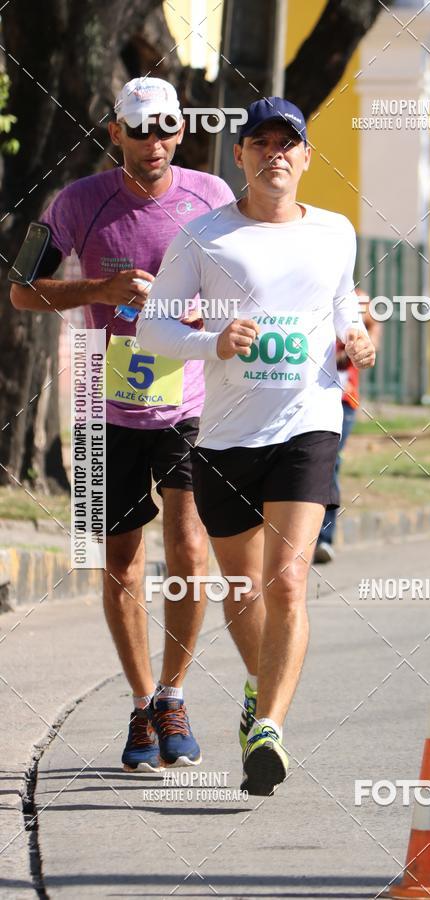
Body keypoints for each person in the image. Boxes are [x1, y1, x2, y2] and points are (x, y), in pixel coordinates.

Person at [137, 96, 376, 795]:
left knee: (288, 581)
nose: (275, 154)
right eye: (261, 143)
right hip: (226, 437)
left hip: (308, 422)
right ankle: (255, 688)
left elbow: (343, 314)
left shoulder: (335, 232)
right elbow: (152, 329)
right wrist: (210, 340)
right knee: (242, 591)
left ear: (305, 158)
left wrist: (358, 338)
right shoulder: (203, 237)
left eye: (287, 144)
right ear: (239, 156)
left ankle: (269, 727)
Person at [10, 77, 235, 771]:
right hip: (106, 409)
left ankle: (174, 693)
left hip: (189, 403)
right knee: (120, 564)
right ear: (115, 133)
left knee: (191, 549)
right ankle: (142, 703)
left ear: (181, 130)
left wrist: (206, 317)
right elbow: (20, 290)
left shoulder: (213, 198)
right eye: (140, 129)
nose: (154, 142)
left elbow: (243, 292)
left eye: (166, 127)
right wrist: (99, 291)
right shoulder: (75, 203)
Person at [314, 288, 380, 562]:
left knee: (330, 463)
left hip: (344, 398)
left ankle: (324, 539)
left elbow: (375, 323)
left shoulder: (358, 297)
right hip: (311, 394)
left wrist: (367, 344)